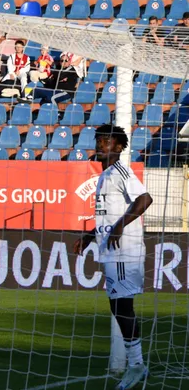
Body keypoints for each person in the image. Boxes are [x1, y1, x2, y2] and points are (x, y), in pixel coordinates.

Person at [73, 124, 152, 390]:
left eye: (105, 141)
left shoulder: (120, 171)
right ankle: (137, 364)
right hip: (110, 249)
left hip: (124, 250)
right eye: (98, 140)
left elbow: (145, 198)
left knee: (122, 306)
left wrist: (120, 225)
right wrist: (89, 236)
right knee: (118, 306)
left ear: (118, 147)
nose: (100, 145)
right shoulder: (105, 175)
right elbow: (109, 216)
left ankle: (136, 365)